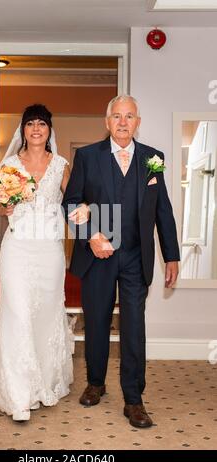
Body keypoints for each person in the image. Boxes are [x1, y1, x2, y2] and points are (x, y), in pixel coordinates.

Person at [62, 95, 180, 428]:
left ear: (137, 122)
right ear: (107, 121)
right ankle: (95, 382)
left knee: (134, 327)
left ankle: (134, 399)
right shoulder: (87, 156)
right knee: (96, 321)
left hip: (135, 255)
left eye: (129, 116)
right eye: (117, 116)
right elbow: (70, 203)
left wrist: (171, 254)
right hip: (97, 255)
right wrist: (91, 235)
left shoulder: (153, 159)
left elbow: (163, 211)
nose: (123, 122)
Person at [0, 104, 76, 421]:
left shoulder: (61, 165)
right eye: (31, 123)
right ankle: (19, 395)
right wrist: (2, 208)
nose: (36, 129)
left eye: (42, 124)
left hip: (48, 251)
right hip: (17, 248)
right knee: (18, 314)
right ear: (23, 129)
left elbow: (74, 201)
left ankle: (43, 384)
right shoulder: (9, 165)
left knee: (45, 316)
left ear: (49, 130)